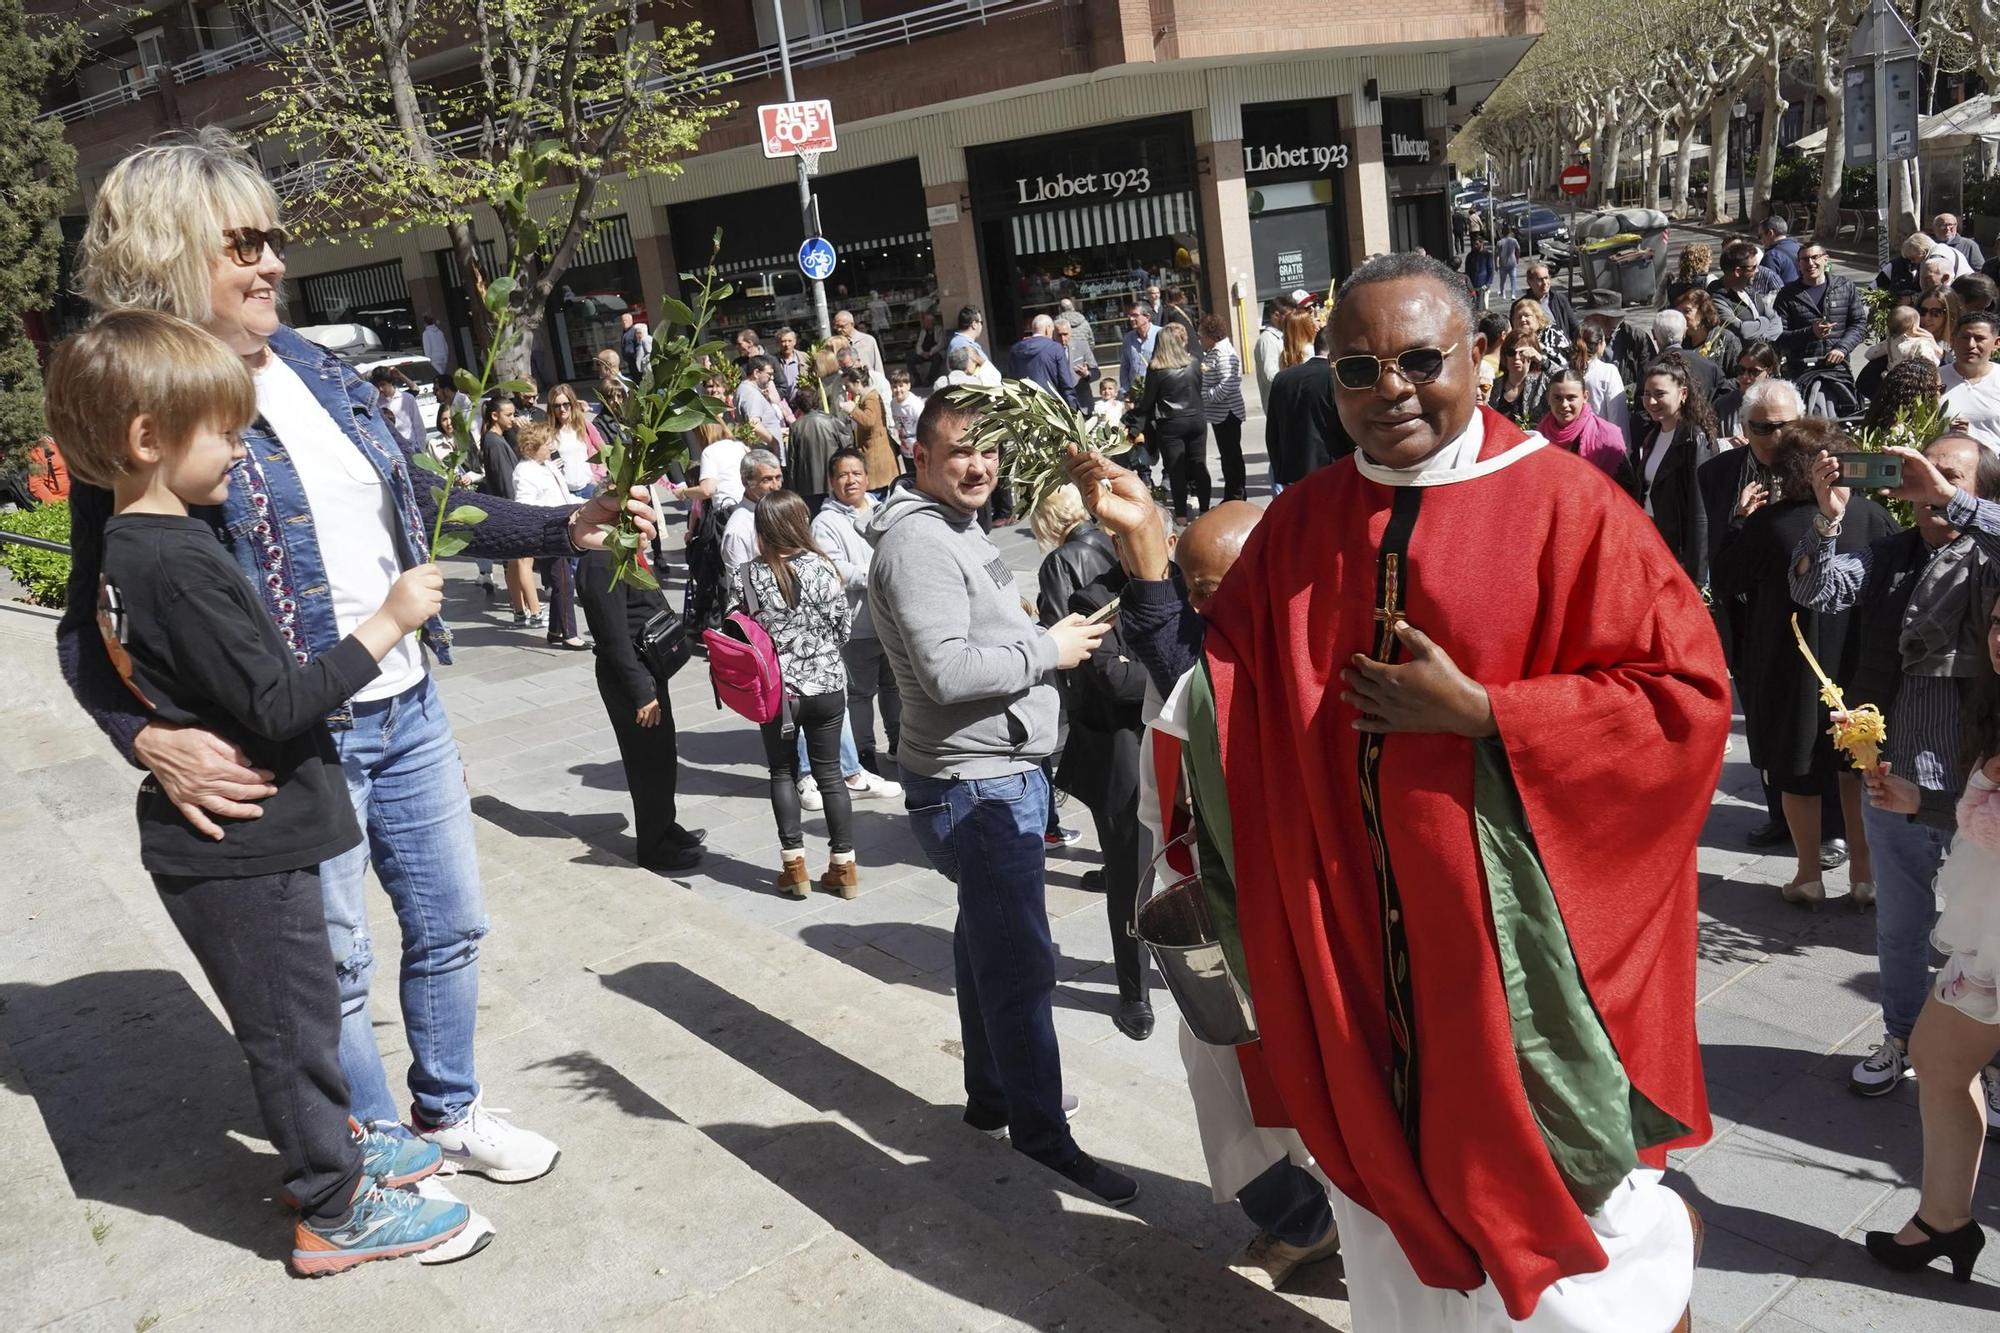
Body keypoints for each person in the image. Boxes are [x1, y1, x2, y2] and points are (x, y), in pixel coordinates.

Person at [1184, 251, 1726, 1329]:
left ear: (1479, 358)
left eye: (1418, 359)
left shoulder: (1570, 508)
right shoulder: (1300, 522)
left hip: (1518, 969)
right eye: (1354, 370)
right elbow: (1219, 679)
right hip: (1357, 948)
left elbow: (1683, 699)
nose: (1388, 390)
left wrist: (1491, 713)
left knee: (1580, 1232)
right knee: (1385, 1227)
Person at [44, 308, 474, 1274]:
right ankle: (333, 1206)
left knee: (305, 1014)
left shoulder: (136, 545)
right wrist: (389, 622)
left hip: (241, 839)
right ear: (149, 440)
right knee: (292, 1030)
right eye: (228, 432)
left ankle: (337, 1148)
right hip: (247, 844)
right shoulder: (180, 564)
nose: (243, 451)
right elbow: (279, 703)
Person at [865, 393, 1136, 1206]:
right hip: (974, 784)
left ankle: (992, 1095)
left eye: (985, 451)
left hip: (989, 773)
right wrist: (1045, 647)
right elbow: (947, 672)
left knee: (983, 935)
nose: (977, 465)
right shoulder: (918, 543)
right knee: (1019, 963)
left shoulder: (954, 525)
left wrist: (1027, 632)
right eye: (958, 452)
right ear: (920, 457)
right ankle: (1041, 1129)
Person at [1793, 434, 2000, 1105]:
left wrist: (1955, 504)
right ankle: (1903, 1037)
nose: (1929, 487)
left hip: (1978, 790)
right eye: (1922, 474)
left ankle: (1992, 1066)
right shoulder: (1891, 554)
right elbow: (1818, 588)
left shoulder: (1988, 560)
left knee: (1986, 943)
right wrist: (1828, 514)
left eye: (1950, 476)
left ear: (1980, 491)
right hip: (1895, 778)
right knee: (1900, 929)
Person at [1864, 596, 2000, 1282]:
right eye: (1999, 620)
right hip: (1987, 933)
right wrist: (1921, 802)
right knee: (1938, 1058)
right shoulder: (1993, 705)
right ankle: (1945, 1220)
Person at [1711, 418, 1889, 907]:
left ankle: (1808, 874)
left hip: (1790, 664)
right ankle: (1864, 875)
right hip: (1856, 661)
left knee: (1797, 769)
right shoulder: (1874, 517)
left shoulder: (1771, 522)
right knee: (1857, 765)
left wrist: (1737, 521)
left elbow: (1725, 578)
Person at [740, 489, 860, 898]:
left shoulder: (750, 574)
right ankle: (844, 869)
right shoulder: (823, 567)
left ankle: (794, 869)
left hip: (778, 692)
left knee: (782, 772)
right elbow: (842, 628)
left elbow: (742, 630)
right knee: (830, 774)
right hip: (827, 684)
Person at [814, 449, 900, 774]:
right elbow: (835, 570)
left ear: (866, 476)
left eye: (856, 473)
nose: (850, 480)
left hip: (892, 623)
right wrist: (881, 573)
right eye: (842, 475)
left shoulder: (884, 510)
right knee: (860, 694)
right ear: (832, 481)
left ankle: (899, 742)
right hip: (857, 626)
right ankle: (865, 752)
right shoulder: (825, 523)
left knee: (895, 687)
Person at [1631, 353, 1721, 587]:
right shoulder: (1653, 434)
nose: (1651, 402)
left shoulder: (1694, 439)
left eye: (1660, 394)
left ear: (1683, 394)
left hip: (1678, 553)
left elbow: (1701, 511)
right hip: (1653, 541)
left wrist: (1697, 577)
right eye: (1647, 394)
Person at [509, 422, 588, 650]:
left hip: (561, 526)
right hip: (548, 531)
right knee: (564, 582)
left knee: (560, 580)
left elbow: (561, 495)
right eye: (546, 443)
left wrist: (579, 505)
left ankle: (555, 630)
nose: (551, 446)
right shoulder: (525, 471)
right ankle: (569, 634)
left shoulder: (547, 465)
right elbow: (524, 505)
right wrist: (556, 514)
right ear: (533, 446)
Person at [476, 395, 541, 629]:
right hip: (510, 509)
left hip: (506, 509)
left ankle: (520, 610)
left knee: (514, 563)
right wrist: (517, 512)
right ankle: (533, 612)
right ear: (495, 416)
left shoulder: (496, 439)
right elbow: (505, 481)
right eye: (509, 415)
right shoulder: (493, 442)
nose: (513, 419)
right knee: (522, 561)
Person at [1132, 323, 1208, 522]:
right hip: (1197, 418)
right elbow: (1199, 388)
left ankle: (1181, 514)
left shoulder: (1156, 369)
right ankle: (1205, 510)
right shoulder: (1194, 363)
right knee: (1199, 464)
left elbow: (1148, 401)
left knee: (1176, 469)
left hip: (1171, 422)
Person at [1776, 243, 1866, 410]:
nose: (1810, 263)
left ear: (1826, 259)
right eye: (1805, 259)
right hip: (1801, 370)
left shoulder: (1845, 287)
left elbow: (1859, 324)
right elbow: (1779, 337)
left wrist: (1842, 349)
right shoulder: (1787, 294)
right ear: (1799, 264)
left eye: (1815, 257)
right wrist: (1811, 333)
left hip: (1838, 369)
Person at [1264, 322, 1342, 491]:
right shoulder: (1335, 378)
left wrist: (1279, 470)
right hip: (1330, 473)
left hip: (1291, 473)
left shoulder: (1282, 378)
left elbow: (1272, 432)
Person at [1538, 366, 1628, 481]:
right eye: (1557, 398)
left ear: (1585, 397)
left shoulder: (1608, 436)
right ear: (1548, 399)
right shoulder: (1539, 435)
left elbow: (1625, 488)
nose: (1564, 404)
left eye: (1571, 398)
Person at [1198, 313, 1247, 503]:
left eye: (1201, 334)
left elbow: (1229, 383)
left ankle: (1236, 494)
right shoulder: (1213, 351)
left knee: (1231, 456)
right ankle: (1232, 493)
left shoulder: (1223, 353)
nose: (1199, 338)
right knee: (1228, 456)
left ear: (1211, 335)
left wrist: (1206, 396)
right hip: (1220, 414)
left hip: (1227, 413)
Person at [721, 448, 786, 580]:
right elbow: (740, 583)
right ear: (746, 482)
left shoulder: (783, 511)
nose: (775, 486)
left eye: (778, 478)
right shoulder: (738, 530)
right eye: (766, 480)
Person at [1942, 312, 2000, 452]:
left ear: (1996, 343)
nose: (1971, 345)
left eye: (1979, 338)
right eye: (1964, 337)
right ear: (1953, 340)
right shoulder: (1933, 378)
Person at [1709, 239, 1784, 345]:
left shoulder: (1750, 291)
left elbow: (1776, 321)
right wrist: (1765, 321)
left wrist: (1761, 339)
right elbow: (1741, 331)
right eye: (1753, 267)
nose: (1757, 271)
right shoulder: (1716, 299)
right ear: (1738, 271)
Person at [841, 366, 901, 492]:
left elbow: (869, 421)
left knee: (879, 494)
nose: (847, 390)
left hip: (876, 455)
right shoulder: (866, 397)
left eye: (848, 386)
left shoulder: (871, 398)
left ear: (857, 383)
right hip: (872, 450)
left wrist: (852, 410)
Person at [1570, 322, 1629, 440]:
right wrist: (1623, 447)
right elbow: (1617, 414)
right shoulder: (1608, 371)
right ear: (1599, 344)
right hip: (1599, 442)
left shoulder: (1565, 371)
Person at [1713, 341, 1780, 442]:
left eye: (1753, 371)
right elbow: (1706, 445)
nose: (1745, 376)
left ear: (1769, 370)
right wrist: (1725, 443)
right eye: (1741, 370)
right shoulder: (1722, 405)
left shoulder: (1781, 404)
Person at [1007, 313, 1078, 405]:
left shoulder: (1015, 349)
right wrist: (1072, 408)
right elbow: (1066, 383)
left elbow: (1011, 380)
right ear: (1048, 329)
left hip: (1024, 406)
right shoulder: (1055, 348)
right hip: (1050, 406)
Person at [1678, 289, 1741, 386]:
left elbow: (1739, 378)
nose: (1681, 317)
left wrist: (1716, 387)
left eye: (1687, 311)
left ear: (1703, 312)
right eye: (1679, 312)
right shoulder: (1680, 341)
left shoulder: (1726, 339)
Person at [1489, 330, 1547, 430]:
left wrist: (1542, 360)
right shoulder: (1493, 385)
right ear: (1505, 355)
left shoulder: (1541, 383)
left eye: (1522, 353)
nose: (1516, 357)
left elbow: (1567, 379)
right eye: (1511, 352)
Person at [370, 365, 428, 454]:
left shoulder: (407, 398)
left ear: (391, 382)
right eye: (378, 386)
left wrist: (421, 450)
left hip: (411, 449)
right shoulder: (376, 403)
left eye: (383, 384)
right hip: (393, 451)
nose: (381, 389)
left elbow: (418, 426)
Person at [734, 356, 787, 448]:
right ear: (756, 373)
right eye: (769, 374)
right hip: (764, 453)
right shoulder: (751, 393)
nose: (772, 378)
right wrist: (774, 442)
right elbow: (754, 424)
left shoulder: (749, 390)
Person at [1252, 296, 1292, 408]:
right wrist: (1295, 378)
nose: (1292, 320)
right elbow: (1270, 376)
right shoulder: (1268, 339)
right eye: (1288, 316)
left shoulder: (1283, 337)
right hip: (1278, 406)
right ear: (1276, 315)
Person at [1509, 295, 1569, 368]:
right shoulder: (1513, 338)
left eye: (1527, 315)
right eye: (1519, 317)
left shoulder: (1552, 331)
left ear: (1538, 317)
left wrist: (1541, 347)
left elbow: (1565, 359)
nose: (1522, 319)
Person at [1524, 261, 1577, 340]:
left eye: (1546, 278)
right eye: (1540, 279)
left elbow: (1575, 327)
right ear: (1529, 282)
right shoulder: (1522, 306)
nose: (1545, 283)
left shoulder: (1560, 300)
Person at [1119, 299, 1159, 394]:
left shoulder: (1161, 334)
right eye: (1130, 315)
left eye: (1135, 315)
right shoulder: (1128, 338)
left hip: (1156, 392)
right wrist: (1125, 391)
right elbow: (1125, 367)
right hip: (1135, 393)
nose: (1131, 319)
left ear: (1147, 317)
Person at [1659, 242, 1715, 310]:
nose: (1710, 262)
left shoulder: (1674, 283)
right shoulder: (1708, 280)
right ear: (1702, 261)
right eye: (1708, 259)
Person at [833, 309, 884, 378]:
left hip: (869, 381)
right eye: (837, 326)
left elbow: (878, 365)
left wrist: (881, 382)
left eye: (842, 326)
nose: (839, 329)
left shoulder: (868, 340)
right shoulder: (835, 343)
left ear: (852, 324)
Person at [1760, 215, 1802, 286]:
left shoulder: (1771, 257)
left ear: (1770, 233)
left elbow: (1765, 287)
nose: (1760, 241)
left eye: (1760, 236)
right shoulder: (1799, 247)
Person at [910, 309, 947, 386]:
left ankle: (929, 380)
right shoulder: (923, 331)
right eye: (925, 321)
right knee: (910, 359)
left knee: (937, 358)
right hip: (924, 354)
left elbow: (941, 344)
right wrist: (922, 353)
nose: (925, 323)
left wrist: (930, 353)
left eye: (927, 321)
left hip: (934, 353)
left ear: (932, 322)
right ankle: (917, 379)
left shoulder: (939, 330)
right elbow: (919, 344)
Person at [1460, 233, 1493, 310]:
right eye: (1473, 244)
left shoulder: (1487, 255)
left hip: (1483, 286)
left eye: (1477, 244)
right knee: (1473, 308)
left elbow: (1490, 271)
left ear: (1482, 243)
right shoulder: (1470, 256)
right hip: (1473, 286)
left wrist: (1487, 284)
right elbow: (1467, 271)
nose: (1475, 246)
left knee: (1483, 307)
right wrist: (1468, 286)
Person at [772, 326, 805, 402]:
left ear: (795, 341)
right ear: (778, 343)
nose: (787, 344)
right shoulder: (773, 361)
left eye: (790, 341)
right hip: (782, 403)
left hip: (801, 403)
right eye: (783, 341)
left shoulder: (804, 357)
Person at [1492, 226, 1520, 303]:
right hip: (1512, 262)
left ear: (1502, 233)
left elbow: (1496, 254)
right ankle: (1513, 294)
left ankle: (1502, 293)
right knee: (1513, 279)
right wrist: (1517, 258)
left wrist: (1495, 265)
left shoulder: (1499, 242)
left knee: (1502, 280)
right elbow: (1518, 250)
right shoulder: (1514, 241)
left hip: (1503, 264)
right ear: (1509, 232)